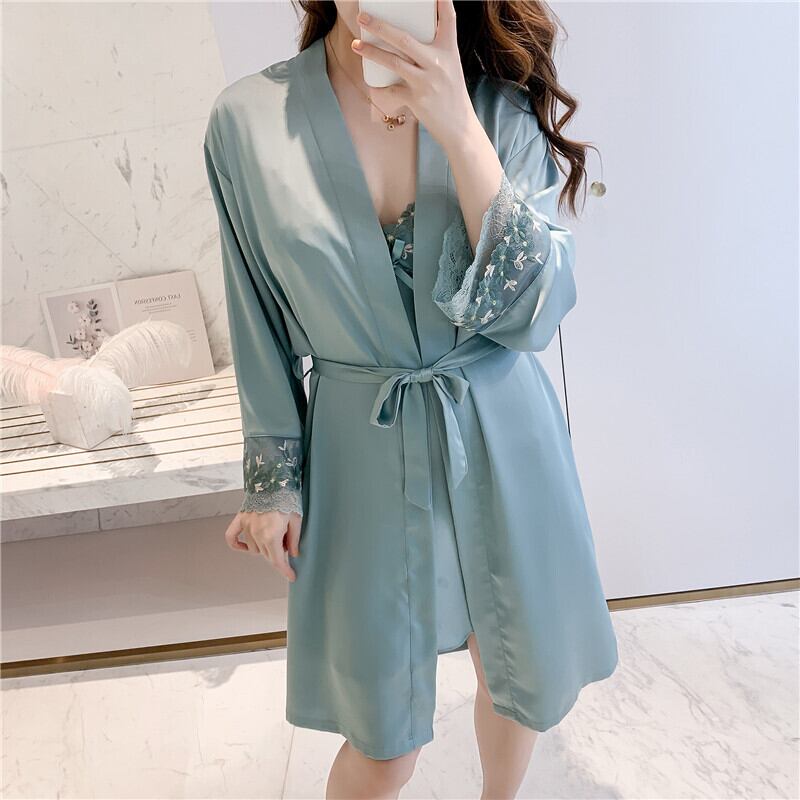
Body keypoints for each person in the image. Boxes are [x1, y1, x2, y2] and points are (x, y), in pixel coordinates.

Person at [203, 1, 619, 797]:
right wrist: (272, 481)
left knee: (515, 671)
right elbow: (254, 313)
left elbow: (534, 313)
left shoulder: (497, 108)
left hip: (503, 425)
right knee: (382, 734)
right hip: (359, 440)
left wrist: (457, 124)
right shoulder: (247, 123)